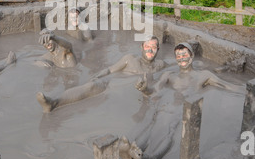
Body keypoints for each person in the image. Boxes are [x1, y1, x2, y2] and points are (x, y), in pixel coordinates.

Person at [119, 42, 255, 159]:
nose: (181, 58)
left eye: (184, 54)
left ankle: (151, 158)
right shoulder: (169, 75)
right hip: (164, 105)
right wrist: (145, 88)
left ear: (191, 56)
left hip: (182, 110)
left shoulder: (203, 75)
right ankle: (134, 150)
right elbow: (154, 91)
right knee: (152, 126)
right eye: (178, 55)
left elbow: (231, 86)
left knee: (167, 130)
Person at [36, 36, 168, 113]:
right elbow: (110, 70)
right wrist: (98, 75)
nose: (150, 50)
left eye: (154, 47)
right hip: (112, 86)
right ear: (142, 47)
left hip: (130, 96)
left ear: (158, 49)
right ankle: (53, 103)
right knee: (91, 86)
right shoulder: (130, 59)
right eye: (147, 46)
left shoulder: (160, 65)